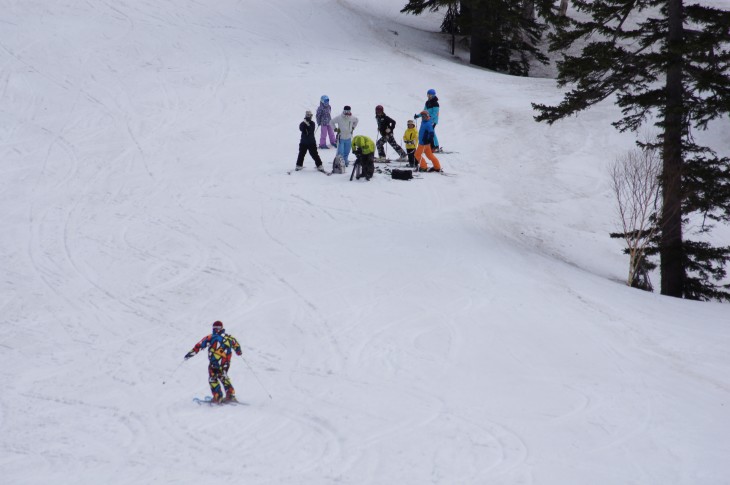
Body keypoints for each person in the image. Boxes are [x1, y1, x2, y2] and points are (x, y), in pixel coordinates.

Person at [184, 321, 243, 403]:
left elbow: (199, 345)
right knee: (224, 376)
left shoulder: (210, 337)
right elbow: (237, 346)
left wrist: (189, 354)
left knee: (213, 378)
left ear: (213, 328)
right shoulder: (229, 338)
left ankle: (217, 396)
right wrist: (238, 351)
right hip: (225, 363)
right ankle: (230, 395)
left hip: (214, 363)